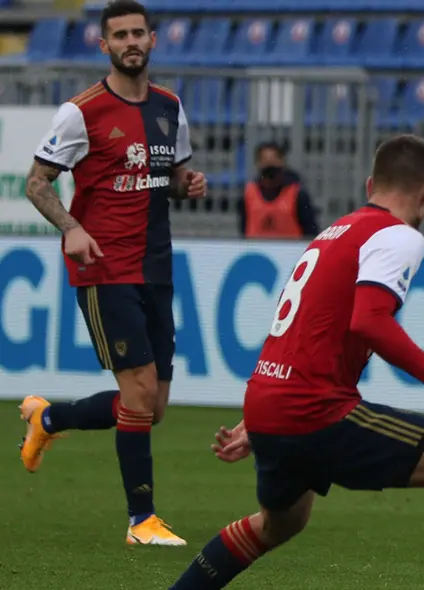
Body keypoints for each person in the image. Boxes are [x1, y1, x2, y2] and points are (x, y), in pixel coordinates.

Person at [169, 134, 424, 590]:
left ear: (370, 185)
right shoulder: (399, 235)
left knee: (280, 523)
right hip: (312, 408)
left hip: (270, 398)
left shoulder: (334, 232)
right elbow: (370, 320)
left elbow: (301, 327)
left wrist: (262, 417)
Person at [18, 0, 205, 546]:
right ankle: (140, 521)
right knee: (139, 392)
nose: (130, 42)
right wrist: (71, 227)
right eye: (119, 35)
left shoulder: (170, 106)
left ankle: (49, 419)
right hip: (103, 267)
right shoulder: (81, 112)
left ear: (153, 40)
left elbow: (168, 179)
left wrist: (187, 185)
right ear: (104, 45)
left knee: (152, 407)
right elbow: (36, 182)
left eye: (138, 33)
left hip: (156, 265)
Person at [237, 141, 320, 239]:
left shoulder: (298, 196)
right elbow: (244, 229)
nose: (269, 166)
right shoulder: (248, 195)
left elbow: (310, 232)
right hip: (255, 248)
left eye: (273, 161)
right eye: (265, 161)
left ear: (282, 162)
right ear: (258, 164)